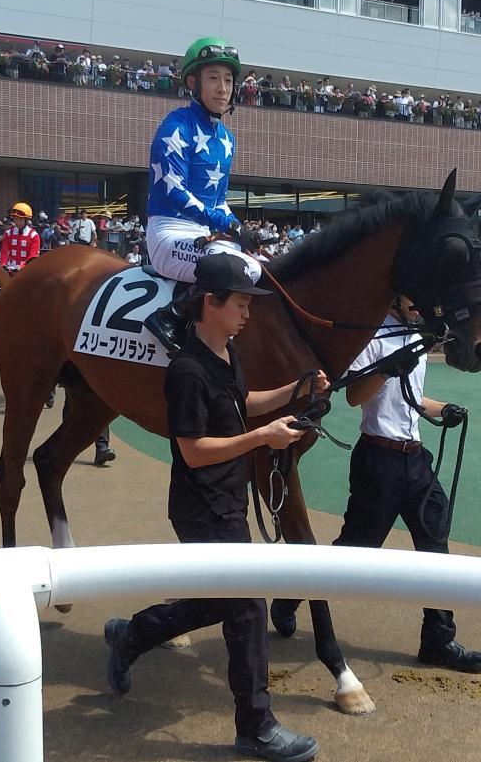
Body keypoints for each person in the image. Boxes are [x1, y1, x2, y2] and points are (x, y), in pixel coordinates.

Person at [105, 253, 322, 762]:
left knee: (219, 601)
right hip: (201, 506)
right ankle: (256, 727)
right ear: (211, 302)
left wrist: (296, 390)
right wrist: (262, 438)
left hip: (226, 499)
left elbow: (242, 403)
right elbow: (193, 451)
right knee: (246, 607)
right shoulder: (186, 370)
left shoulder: (227, 353)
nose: (247, 313)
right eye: (241, 304)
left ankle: (131, 633)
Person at [333, 295, 481, 673]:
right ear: (396, 295)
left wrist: (442, 409)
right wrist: (387, 369)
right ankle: (293, 593)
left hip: (415, 460)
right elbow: (354, 395)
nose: (420, 304)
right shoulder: (373, 335)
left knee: (435, 544)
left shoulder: (416, 336)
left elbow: (413, 400)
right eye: (412, 297)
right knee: (354, 553)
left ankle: (438, 640)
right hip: (378, 460)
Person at [142, 37, 262, 351]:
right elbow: (173, 190)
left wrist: (240, 228)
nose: (223, 88)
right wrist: (225, 225)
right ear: (193, 83)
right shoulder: (176, 126)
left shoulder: (227, 139)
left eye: (228, 80)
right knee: (236, 268)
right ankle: (170, 315)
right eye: (213, 78)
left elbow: (218, 200)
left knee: (260, 264)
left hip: (204, 235)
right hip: (169, 233)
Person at [0, 202, 40, 271]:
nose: (18, 222)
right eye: (16, 219)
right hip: (10, 268)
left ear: (26, 220)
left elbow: (32, 256)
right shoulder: (8, 233)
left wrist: (21, 267)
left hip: (27, 269)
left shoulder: (34, 235)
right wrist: (3, 264)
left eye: (20, 220)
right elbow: (4, 252)